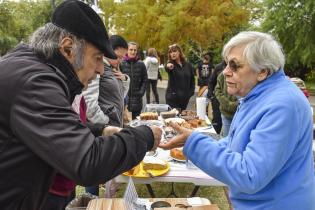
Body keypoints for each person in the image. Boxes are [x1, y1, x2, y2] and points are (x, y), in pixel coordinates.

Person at [0, 1, 162, 210]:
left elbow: (53, 128)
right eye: (96, 58)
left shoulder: (31, 69)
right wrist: (145, 136)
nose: (100, 70)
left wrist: (99, 130)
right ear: (68, 49)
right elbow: (88, 162)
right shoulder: (35, 82)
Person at [160, 31, 315, 210]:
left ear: (262, 71)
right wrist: (195, 140)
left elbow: (249, 175)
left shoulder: (282, 105)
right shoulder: (260, 95)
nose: (225, 72)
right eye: (227, 64)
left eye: (235, 66)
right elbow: (237, 144)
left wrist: (195, 142)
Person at [83, 34, 130, 196]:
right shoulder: (99, 68)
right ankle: (92, 201)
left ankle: (105, 200)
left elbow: (120, 97)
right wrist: (104, 124)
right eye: (117, 57)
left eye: (122, 58)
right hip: (102, 129)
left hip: (112, 127)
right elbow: (89, 103)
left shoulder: (112, 68)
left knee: (107, 168)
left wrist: (124, 80)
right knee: (96, 170)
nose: (120, 61)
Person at [120, 42, 148, 119]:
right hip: (124, 101)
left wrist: (141, 92)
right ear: (127, 50)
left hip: (137, 101)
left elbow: (145, 80)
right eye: (131, 49)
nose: (133, 52)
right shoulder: (121, 63)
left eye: (135, 50)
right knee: (125, 126)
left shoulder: (141, 64)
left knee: (136, 125)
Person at [165, 44, 195, 111]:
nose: (172, 53)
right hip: (172, 99)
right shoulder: (171, 64)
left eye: (174, 51)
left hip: (184, 100)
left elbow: (192, 81)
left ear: (179, 52)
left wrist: (190, 93)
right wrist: (168, 66)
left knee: (181, 119)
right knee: (173, 120)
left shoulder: (188, 65)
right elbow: (167, 67)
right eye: (170, 52)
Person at [214, 72, 238, 137]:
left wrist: (235, 104)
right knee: (226, 137)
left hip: (241, 113)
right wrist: (228, 104)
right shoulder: (222, 74)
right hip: (226, 113)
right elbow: (217, 90)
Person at [207, 60, 225, 134]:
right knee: (217, 122)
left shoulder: (238, 66)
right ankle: (213, 140)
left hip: (232, 102)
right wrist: (211, 94)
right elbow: (211, 82)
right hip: (217, 100)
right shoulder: (218, 67)